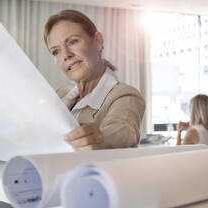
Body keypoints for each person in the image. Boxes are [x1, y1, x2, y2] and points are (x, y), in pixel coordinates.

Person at [44, 9, 145, 150]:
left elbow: (124, 130)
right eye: (56, 51)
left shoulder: (124, 95)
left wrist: (100, 137)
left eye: (73, 42)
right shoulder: (61, 93)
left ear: (97, 41)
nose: (65, 55)